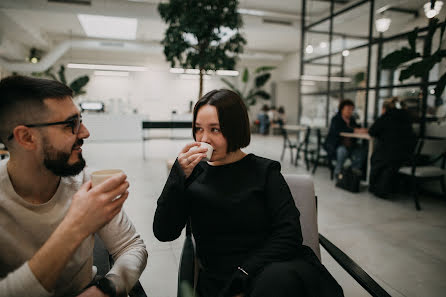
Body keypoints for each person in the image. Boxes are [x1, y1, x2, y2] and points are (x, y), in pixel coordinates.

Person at [153, 89, 343, 297]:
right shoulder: (193, 175)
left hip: (273, 270)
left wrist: (245, 273)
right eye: (198, 129)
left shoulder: (265, 172)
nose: (204, 139)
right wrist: (177, 177)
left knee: (276, 281)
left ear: (235, 129)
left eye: (215, 130)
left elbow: (289, 234)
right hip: (222, 281)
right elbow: (164, 232)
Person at [0, 76, 148, 297]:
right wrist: (77, 227)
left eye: (81, 120)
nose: (85, 133)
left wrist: (106, 289)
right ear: (27, 137)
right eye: (71, 125)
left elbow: (131, 247)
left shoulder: (87, 182)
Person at [368, 97, 416, 198]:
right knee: (389, 161)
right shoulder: (406, 117)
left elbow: (372, 131)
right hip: (406, 156)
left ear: (385, 109)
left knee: (376, 158)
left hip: (387, 155)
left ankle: (375, 187)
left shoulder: (386, 116)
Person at [324, 99, 368, 177]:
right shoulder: (336, 119)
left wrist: (360, 130)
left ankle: (351, 173)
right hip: (336, 145)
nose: (350, 111)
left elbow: (358, 128)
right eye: (348, 109)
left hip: (351, 145)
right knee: (342, 151)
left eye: (351, 109)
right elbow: (341, 130)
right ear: (342, 109)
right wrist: (355, 130)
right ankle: (337, 173)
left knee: (362, 151)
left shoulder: (352, 120)